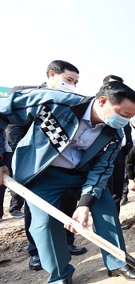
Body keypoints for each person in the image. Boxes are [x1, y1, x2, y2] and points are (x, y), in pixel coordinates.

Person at [0, 81, 135, 284]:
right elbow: (3, 110)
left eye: (130, 117)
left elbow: (101, 169)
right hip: (44, 171)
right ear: (103, 101)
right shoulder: (56, 102)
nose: (124, 121)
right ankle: (60, 276)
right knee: (44, 223)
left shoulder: (114, 134)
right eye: (123, 114)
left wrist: (85, 203)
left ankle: (116, 262)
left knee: (106, 210)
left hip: (84, 173)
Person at [7, 60, 86, 272]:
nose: (72, 86)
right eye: (68, 80)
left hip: (68, 168)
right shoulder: (30, 96)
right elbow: (14, 131)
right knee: (38, 214)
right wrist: (28, 157)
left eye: (76, 82)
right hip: (38, 168)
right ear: (52, 75)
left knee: (68, 206)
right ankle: (36, 251)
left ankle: (66, 242)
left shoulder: (71, 102)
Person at [103, 75, 133, 221]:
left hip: (120, 155)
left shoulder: (124, 110)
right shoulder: (101, 109)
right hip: (103, 156)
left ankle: (115, 222)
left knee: (117, 192)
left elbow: (128, 136)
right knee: (104, 193)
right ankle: (103, 228)